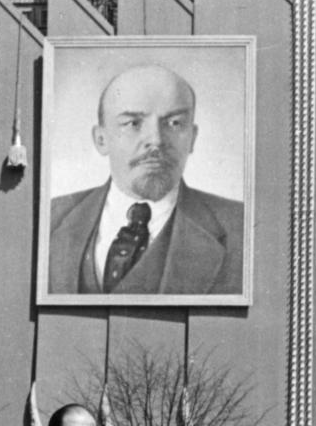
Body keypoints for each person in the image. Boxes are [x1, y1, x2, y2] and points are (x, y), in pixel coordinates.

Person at [48, 62, 244, 297]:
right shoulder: (51, 218)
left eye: (174, 123)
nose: (156, 140)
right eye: (133, 123)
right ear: (101, 140)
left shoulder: (241, 227)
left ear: (192, 137)